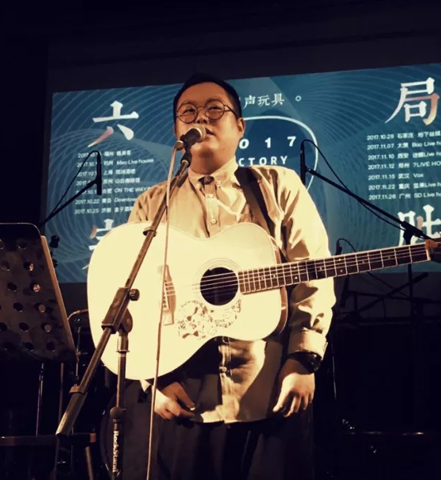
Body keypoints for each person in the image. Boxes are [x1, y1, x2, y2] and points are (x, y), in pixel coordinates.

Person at [126, 73, 336, 480]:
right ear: (176, 130)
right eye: (188, 112)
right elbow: (134, 296)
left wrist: (302, 360)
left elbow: (312, 275)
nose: (200, 118)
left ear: (239, 126)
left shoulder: (278, 187)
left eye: (214, 109)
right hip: (184, 396)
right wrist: (155, 379)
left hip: (270, 388)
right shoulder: (152, 204)